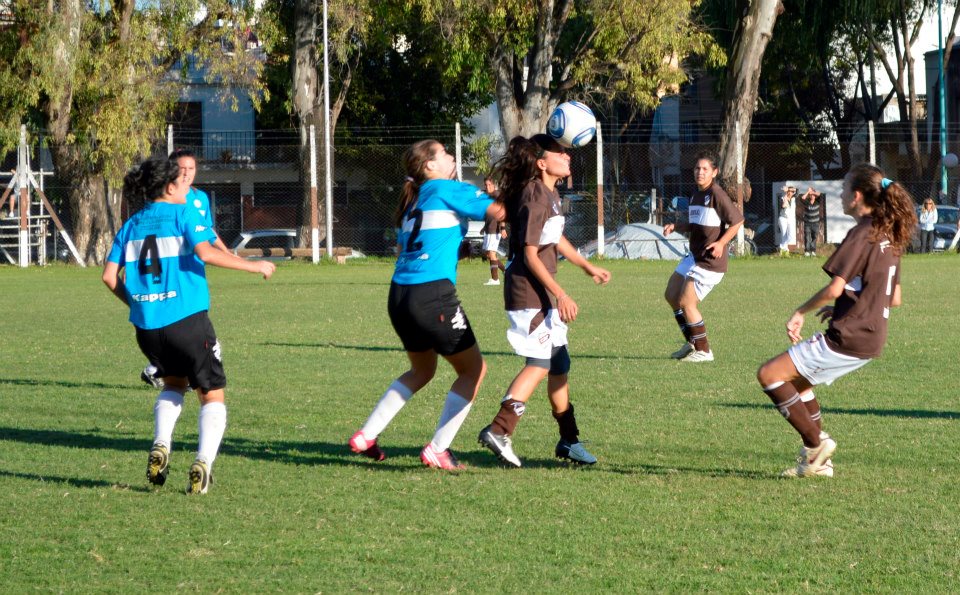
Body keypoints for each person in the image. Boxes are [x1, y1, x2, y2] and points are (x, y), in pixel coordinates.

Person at [102, 157, 275, 494]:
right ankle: (203, 463)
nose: (188, 187)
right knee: (212, 395)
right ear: (169, 187)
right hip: (187, 321)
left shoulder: (131, 224)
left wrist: (138, 304)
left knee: (173, 384)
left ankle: (161, 443)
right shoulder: (183, 214)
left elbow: (109, 277)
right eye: (182, 181)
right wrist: (255, 266)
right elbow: (207, 253)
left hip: (148, 330)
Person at [349, 140, 504, 470]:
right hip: (431, 295)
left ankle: (366, 436)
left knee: (422, 370)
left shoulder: (414, 200)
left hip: (400, 295)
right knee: (473, 370)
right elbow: (499, 213)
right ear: (430, 166)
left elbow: (420, 246)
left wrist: (463, 251)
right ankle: (438, 448)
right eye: (445, 153)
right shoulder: (445, 187)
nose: (451, 157)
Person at [756, 164, 916, 478]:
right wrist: (848, 306)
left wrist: (799, 312)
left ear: (856, 196)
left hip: (851, 336)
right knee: (798, 383)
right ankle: (819, 465)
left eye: (843, 190)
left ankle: (817, 445)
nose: (841, 195)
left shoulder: (862, 233)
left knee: (769, 375)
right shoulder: (890, 233)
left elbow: (834, 288)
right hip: (871, 337)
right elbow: (892, 297)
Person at [477, 134, 611, 468]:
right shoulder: (536, 196)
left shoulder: (548, 193)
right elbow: (530, 255)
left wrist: (586, 266)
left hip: (540, 294)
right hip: (528, 293)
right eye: (560, 153)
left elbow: (557, 238)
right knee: (540, 364)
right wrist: (561, 293)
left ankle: (569, 441)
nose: (567, 157)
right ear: (541, 163)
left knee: (559, 364)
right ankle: (499, 429)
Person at [140, 149, 231, 390]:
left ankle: (163, 368)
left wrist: (226, 251)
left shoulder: (200, 198)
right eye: (182, 169)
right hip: (173, 270)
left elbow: (207, 230)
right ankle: (160, 368)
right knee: (186, 322)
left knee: (188, 320)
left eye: (191, 168)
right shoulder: (171, 201)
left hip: (193, 270)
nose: (187, 173)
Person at [662, 151, 744, 362]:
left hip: (710, 260)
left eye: (705, 169)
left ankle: (704, 351)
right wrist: (676, 226)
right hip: (694, 256)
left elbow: (737, 221)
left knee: (687, 303)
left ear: (714, 172)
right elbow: (696, 224)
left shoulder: (716, 193)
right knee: (672, 295)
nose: (700, 172)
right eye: (697, 168)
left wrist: (721, 243)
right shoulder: (695, 194)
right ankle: (693, 343)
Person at [482, 176, 507, 285]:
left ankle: (495, 279)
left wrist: (502, 228)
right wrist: (484, 227)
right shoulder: (488, 196)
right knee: (488, 254)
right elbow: (489, 215)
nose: (487, 187)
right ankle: (506, 271)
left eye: (489, 185)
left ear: (494, 185)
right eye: (486, 185)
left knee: (492, 253)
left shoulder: (497, 196)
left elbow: (502, 213)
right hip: (488, 228)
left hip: (494, 229)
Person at [800, 187, 823, 256]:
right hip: (807, 223)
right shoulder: (806, 202)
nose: (812, 196)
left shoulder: (817, 201)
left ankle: (813, 251)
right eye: (811, 195)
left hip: (815, 223)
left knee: (814, 237)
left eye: (813, 195)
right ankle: (807, 251)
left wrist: (812, 192)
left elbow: (820, 195)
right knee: (807, 237)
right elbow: (802, 198)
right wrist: (808, 192)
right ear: (809, 196)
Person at [778, 185, 797, 254]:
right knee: (784, 235)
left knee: (791, 236)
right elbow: (783, 205)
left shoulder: (794, 199)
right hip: (783, 218)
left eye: (792, 191)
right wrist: (785, 193)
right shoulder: (783, 198)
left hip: (791, 219)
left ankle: (782, 247)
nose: (790, 193)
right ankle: (785, 250)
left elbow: (798, 192)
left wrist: (794, 189)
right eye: (789, 191)